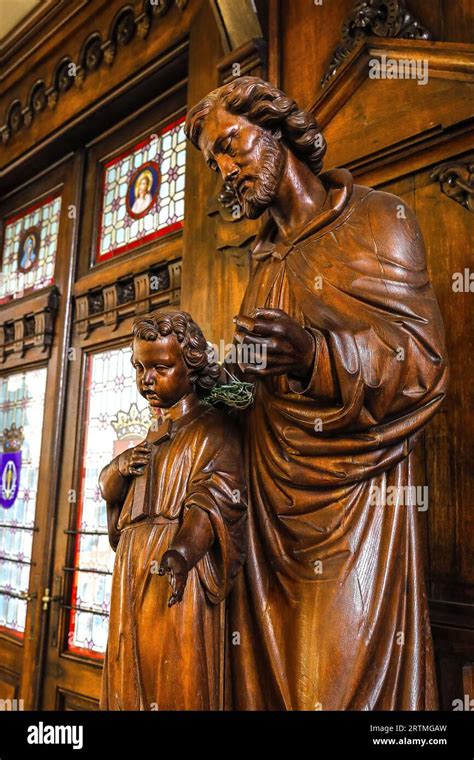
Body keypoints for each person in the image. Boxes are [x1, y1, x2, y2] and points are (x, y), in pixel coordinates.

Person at [186, 76, 448, 710]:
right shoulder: (265, 263)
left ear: (274, 128)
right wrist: (211, 379)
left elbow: (424, 365)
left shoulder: (380, 220)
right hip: (269, 520)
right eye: (214, 161)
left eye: (232, 144)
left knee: (333, 688)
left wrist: (315, 354)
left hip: (353, 510)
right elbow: (256, 388)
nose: (227, 170)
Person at [99, 310, 246, 710]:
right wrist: (116, 470)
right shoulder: (152, 437)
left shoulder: (213, 430)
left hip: (176, 571)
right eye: (140, 367)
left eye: (161, 367)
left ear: (191, 366)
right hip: (131, 567)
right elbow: (111, 494)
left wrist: (182, 552)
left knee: (174, 677)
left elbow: (213, 500)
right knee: (128, 676)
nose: (147, 378)